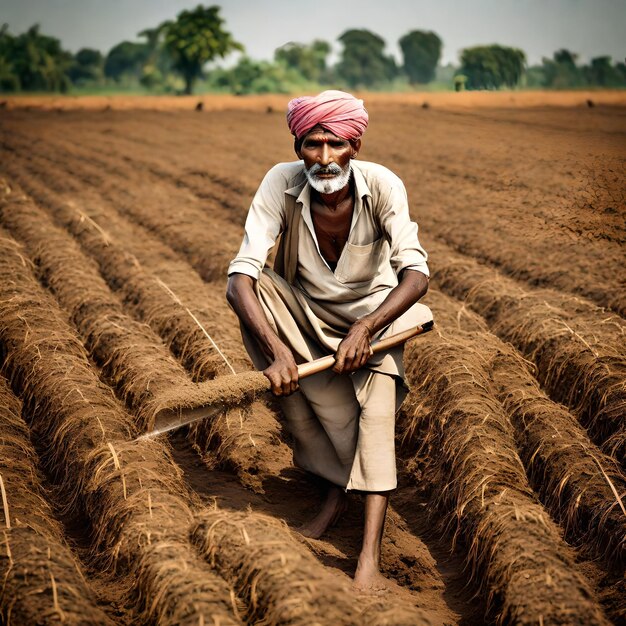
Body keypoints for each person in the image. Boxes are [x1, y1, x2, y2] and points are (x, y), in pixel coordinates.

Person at [226, 90, 431, 592]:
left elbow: (417, 273)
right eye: (311, 144)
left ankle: (368, 556)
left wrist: (365, 329)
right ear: (298, 146)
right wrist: (278, 353)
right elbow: (240, 278)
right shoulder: (282, 181)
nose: (322, 158)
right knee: (305, 402)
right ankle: (335, 493)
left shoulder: (382, 185)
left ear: (353, 147)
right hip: (304, 310)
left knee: (376, 415)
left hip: (373, 316)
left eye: (334, 144)